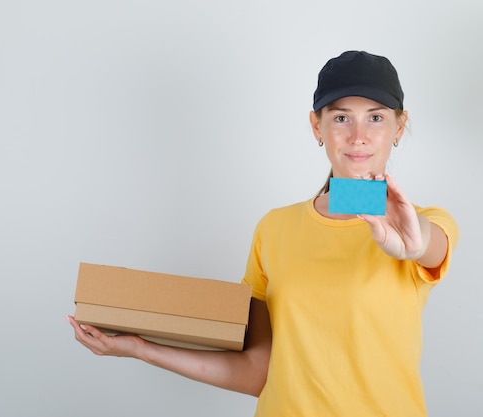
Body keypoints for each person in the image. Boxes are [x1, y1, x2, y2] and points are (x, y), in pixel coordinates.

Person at [68, 50, 459, 416]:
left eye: (376, 117)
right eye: (341, 117)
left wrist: (415, 241)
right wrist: (141, 348)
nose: (359, 135)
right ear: (316, 126)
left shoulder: (425, 223)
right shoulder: (275, 228)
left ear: (398, 128)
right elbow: (257, 371)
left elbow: (430, 246)